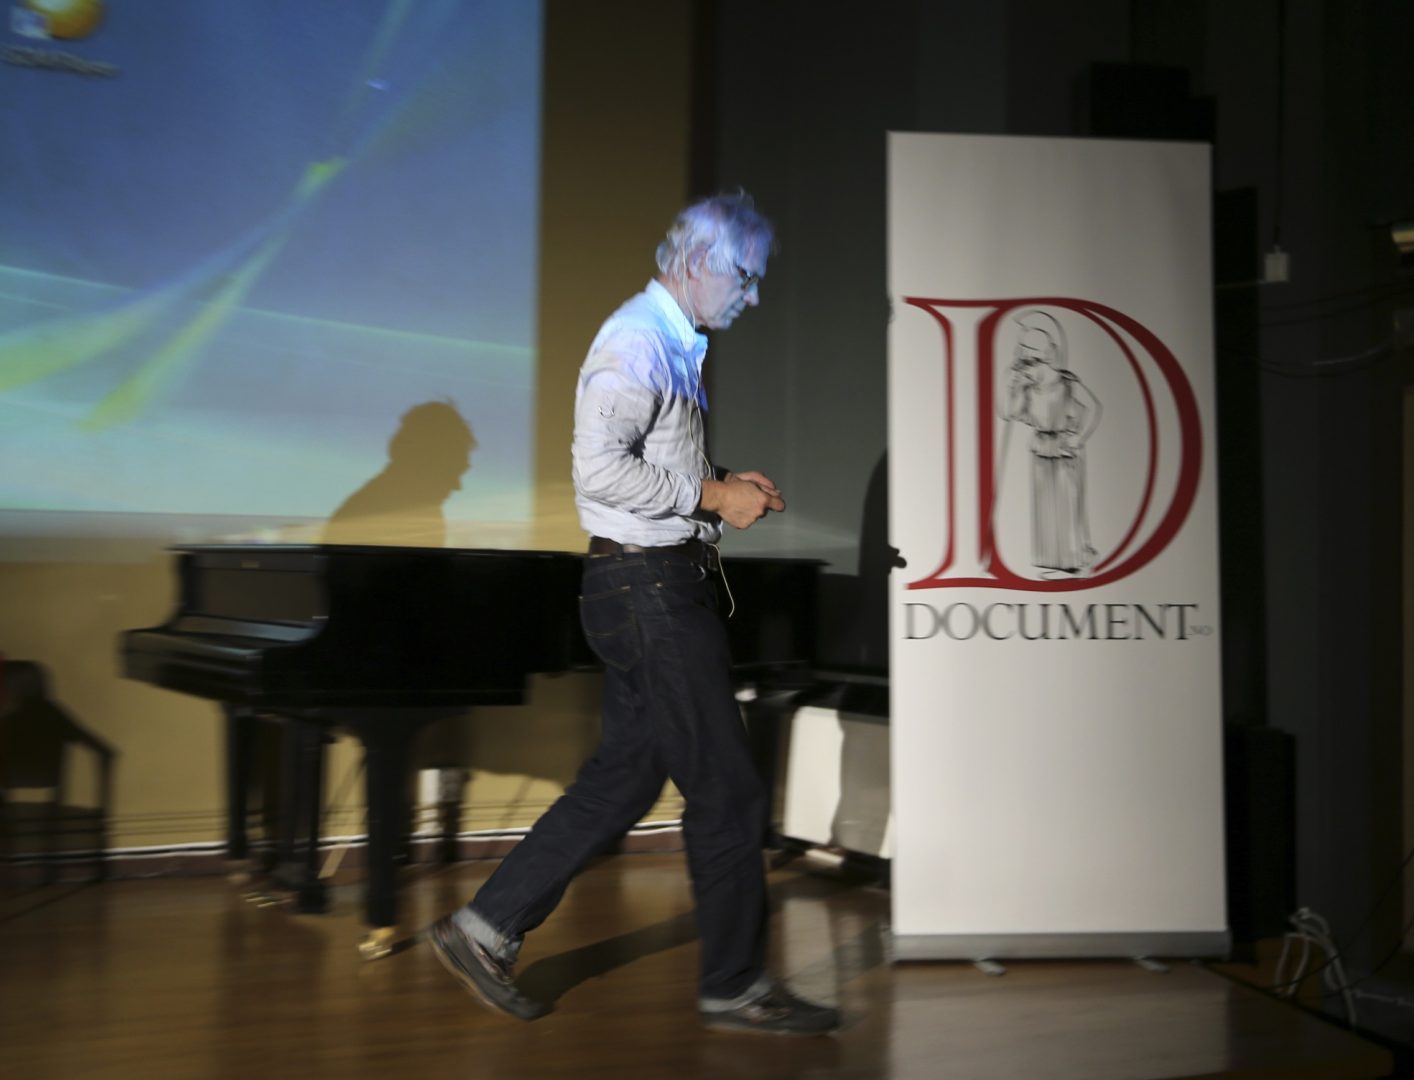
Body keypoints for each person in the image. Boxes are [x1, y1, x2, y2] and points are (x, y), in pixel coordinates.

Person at [428, 192, 840, 1037]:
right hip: (648, 591)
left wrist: (722, 479)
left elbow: (652, 459)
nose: (754, 294)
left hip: (644, 585)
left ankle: (484, 928)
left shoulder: (673, 342)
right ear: (697, 263)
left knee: (624, 777)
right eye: (746, 276)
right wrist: (713, 496)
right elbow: (601, 473)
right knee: (727, 789)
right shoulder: (637, 340)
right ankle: (736, 986)